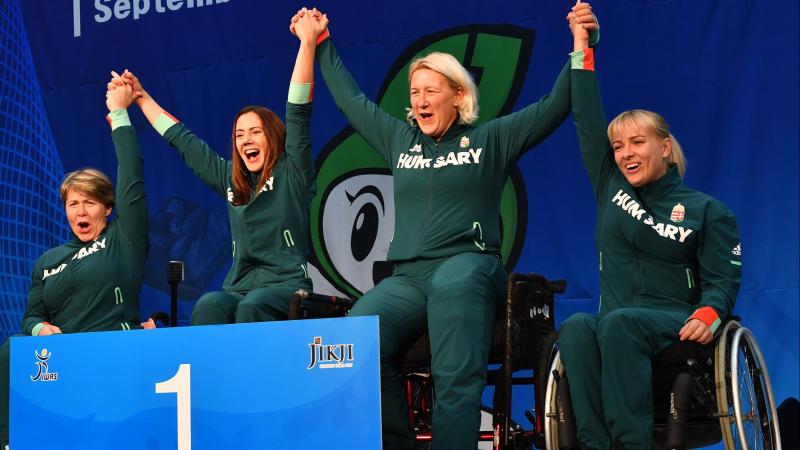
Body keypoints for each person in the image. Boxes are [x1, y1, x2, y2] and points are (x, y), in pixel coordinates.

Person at [290, 8, 598, 450]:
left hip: (468, 265)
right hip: (409, 277)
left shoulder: (492, 139)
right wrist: (321, 43)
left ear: (458, 95)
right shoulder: (401, 140)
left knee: (456, 348)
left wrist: (582, 45)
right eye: (415, 92)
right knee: (354, 339)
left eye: (431, 90)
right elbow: (351, 102)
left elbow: (555, 106)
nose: (420, 100)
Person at [558, 3, 742, 449]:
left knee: (618, 323)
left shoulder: (707, 210)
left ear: (664, 145)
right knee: (578, 328)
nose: (625, 153)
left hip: (674, 320)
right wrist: (583, 47)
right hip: (617, 322)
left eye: (637, 142)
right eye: (618, 146)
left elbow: (722, 279)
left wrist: (712, 311)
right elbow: (586, 117)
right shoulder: (611, 187)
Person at [118, 10, 323, 325]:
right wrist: (142, 98)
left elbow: (298, 109)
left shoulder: (292, 172)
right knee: (210, 303)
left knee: (251, 307)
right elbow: (185, 143)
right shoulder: (231, 179)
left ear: (274, 138)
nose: (246, 140)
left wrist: (307, 43)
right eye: (240, 135)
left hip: (285, 287)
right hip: (239, 288)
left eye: (255, 132)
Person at [0, 76, 149, 448]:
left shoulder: (123, 238)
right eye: (73, 204)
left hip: (110, 350)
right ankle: (7, 441)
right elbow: (31, 317)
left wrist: (119, 114)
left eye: (89, 202)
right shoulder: (48, 261)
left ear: (108, 207)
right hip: (63, 360)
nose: (80, 211)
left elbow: (131, 172)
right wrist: (38, 332)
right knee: (11, 347)